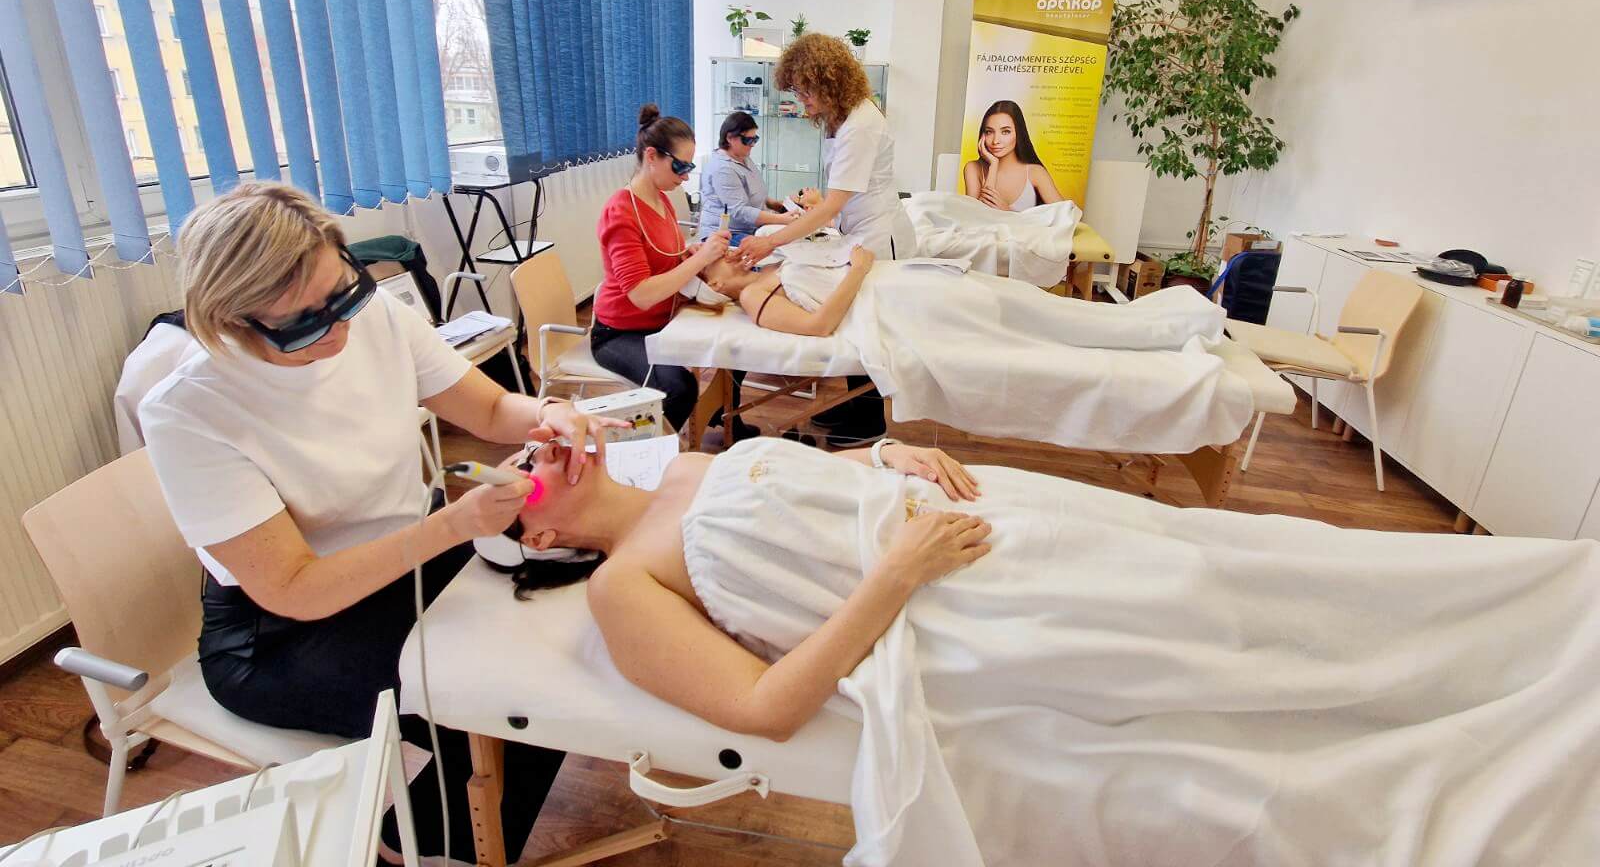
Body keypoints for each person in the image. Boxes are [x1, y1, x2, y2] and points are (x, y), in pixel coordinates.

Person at [484, 436, 1600, 867]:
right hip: (952, 605)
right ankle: (1490, 723)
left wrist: (885, 452)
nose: (542, 452)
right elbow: (768, 707)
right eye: (522, 476)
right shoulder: (623, 592)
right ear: (536, 538)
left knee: (1243, 562)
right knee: (1210, 623)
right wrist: (897, 574)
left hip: (983, 521)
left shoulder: (684, 460)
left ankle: (1548, 615)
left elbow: (807, 482)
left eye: (531, 442)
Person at [137, 182, 623, 864]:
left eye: (344, 295)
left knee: (558, 640)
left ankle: (437, 839)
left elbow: (488, 411)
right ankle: (421, 849)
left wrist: (550, 413)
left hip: (403, 559)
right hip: (281, 635)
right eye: (304, 323)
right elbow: (295, 587)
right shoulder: (189, 410)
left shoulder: (377, 319)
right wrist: (454, 525)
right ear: (233, 321)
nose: (338, 328)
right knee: (507, 695)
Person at [694, 248, 1254, 455]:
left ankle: (1175, 324)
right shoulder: (758, 299)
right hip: (904, 303)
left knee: (1045, 311)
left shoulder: (764, 269)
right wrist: (859, 270)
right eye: (720, 258)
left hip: (913, 285)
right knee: (1049, 326)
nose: (732, 254)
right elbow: (819, 326)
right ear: (716, 284)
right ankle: (1171, 332)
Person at [732, 34, 915, 445]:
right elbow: (836, 197)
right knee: (854, 316)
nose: (801, 102)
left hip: (877, 232)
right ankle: (855, 407)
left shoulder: (861, 125)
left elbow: (835, 203)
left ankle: (869, 421)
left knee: (864, 319)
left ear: (828, 82)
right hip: (858, 225)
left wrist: (771, 242)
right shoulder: (844, 118)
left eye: (804, 91)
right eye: (796, 92)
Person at [592, 104, 741, 439]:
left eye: (689, 167)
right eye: (680, 166)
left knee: (735, 349)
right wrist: (699, 260)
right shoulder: (621, 212)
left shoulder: (662, 201)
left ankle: (728, 422)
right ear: (651, 156)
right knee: (679, 388)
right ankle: (644, 452)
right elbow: (641, 294)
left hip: (663, 319)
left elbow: (663, 256)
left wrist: (687, 253)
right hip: (620, 333)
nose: (685, 176)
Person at [695, 111, 796, 246]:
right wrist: (781, 219)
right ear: (730, 138)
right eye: (748, 140)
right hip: (726, 234)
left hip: (748, 228)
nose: (752, 144)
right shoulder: (722, 168)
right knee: (774, 250)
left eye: (755, 139)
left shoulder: (743, 157)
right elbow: (740, 211)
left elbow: (753, 194)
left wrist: (780, 206)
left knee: (789, 241)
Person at [962, 99, 1064, 211]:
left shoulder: (1035, 172)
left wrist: (1009, 212)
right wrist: (993, 166)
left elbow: (1066, 216)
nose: (995, 141)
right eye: (989, 132)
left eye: (1005, 132)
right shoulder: (973, 168)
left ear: (1018, 133)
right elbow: (975, 215)